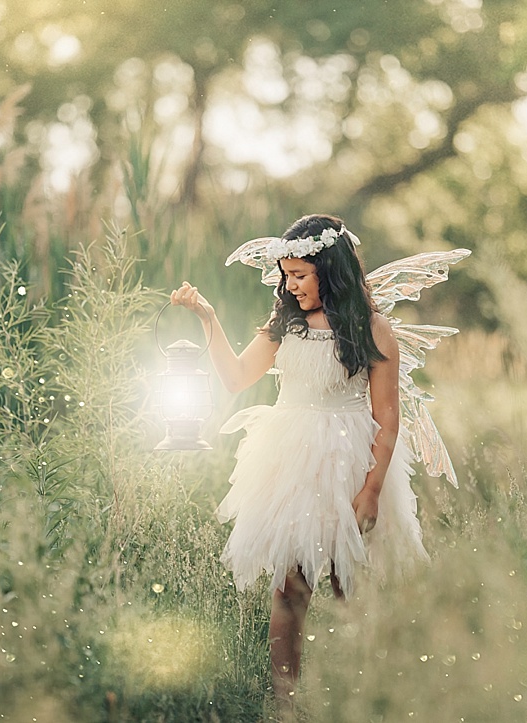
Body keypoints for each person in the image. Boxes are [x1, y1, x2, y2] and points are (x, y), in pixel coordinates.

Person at [170, 214, 429, 705]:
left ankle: (358, 697)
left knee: (348, 586)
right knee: (290, 586)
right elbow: (235, 377)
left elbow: (387, 419)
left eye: (300, 276)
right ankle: (284, 703)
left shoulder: (371, 330)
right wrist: (208, 317)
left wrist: (371, 489)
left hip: (351, 461)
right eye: (286, 276)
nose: (290, 286)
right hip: (291, 463)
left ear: (330, 271)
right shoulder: (284, 326)